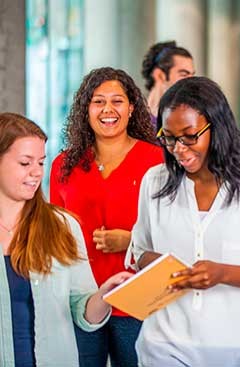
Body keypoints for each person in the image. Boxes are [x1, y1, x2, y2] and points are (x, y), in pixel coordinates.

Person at [126, 76, 240, 366]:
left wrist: (222, 273)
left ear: (217, 128)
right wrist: (165, 266)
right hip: (164, 343)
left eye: (190, 136)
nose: (178, 148)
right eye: (169, 137)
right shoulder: (154, 182)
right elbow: (139, 251)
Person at [50, 67, 164, 367]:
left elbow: (177, 231)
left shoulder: (157, 161)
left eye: (117, 101)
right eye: (98, 101)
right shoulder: (64, 165)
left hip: (138, 299)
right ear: (85, 109)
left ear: (132, 108)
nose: (108, 109)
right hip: (80, 300)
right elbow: (54, 233)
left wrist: (131, 241)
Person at [0, 113, 132, 366]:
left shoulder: (63, 226)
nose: (36, 173)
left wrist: (105, 295)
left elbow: (83, 312)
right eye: (25, 163)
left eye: (40, 162)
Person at [141, 40, 195, 121]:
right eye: (184, 74)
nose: (192, 81)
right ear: (159, 75)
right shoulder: (132, 117)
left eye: (192, 75)